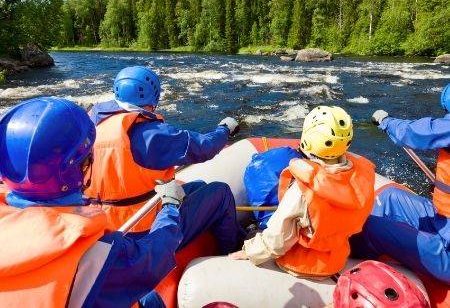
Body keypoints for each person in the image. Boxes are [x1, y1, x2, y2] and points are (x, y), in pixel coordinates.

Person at [0, 97, 241, 307]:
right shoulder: (91, 253)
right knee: (152, 300)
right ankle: (233, 252)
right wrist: (170, 207)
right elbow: (152, 257)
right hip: (143, 227)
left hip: (118, 222)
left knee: (197, 187)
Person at [86, 66, 239, 232]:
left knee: (199, 185)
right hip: (141, 226)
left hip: (100, 222)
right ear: (153, 97)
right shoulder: (151, 134)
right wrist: (224, 129)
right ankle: (235, 249)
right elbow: (204, 148)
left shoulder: (90, 123)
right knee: (221, 191)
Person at [230, 106, 375, 279]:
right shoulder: (363, 176)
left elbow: (278, 239)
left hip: (299, 263)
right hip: (336, 258)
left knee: (250, 235)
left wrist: (250, 251)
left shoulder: (302, 189)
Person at [350, 84, 450, 284]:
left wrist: (386, 121)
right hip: (443, 220)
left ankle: (342, 260)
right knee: (389, 198)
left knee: (370, 227)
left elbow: (413, 133)